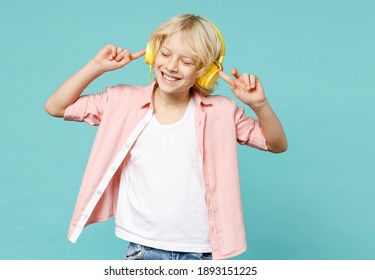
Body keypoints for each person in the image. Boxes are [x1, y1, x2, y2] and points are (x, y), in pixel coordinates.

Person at [44, 14, 287, 260]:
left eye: (186, 61)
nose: (171, 66)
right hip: (143, 247)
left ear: (205, 71)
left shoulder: (222, 112)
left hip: (201, 250)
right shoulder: (121, 100)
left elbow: (275, 144)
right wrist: (96, 67)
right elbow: (56, 107)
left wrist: (261, 105)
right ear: (152, 54)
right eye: (165, 53)